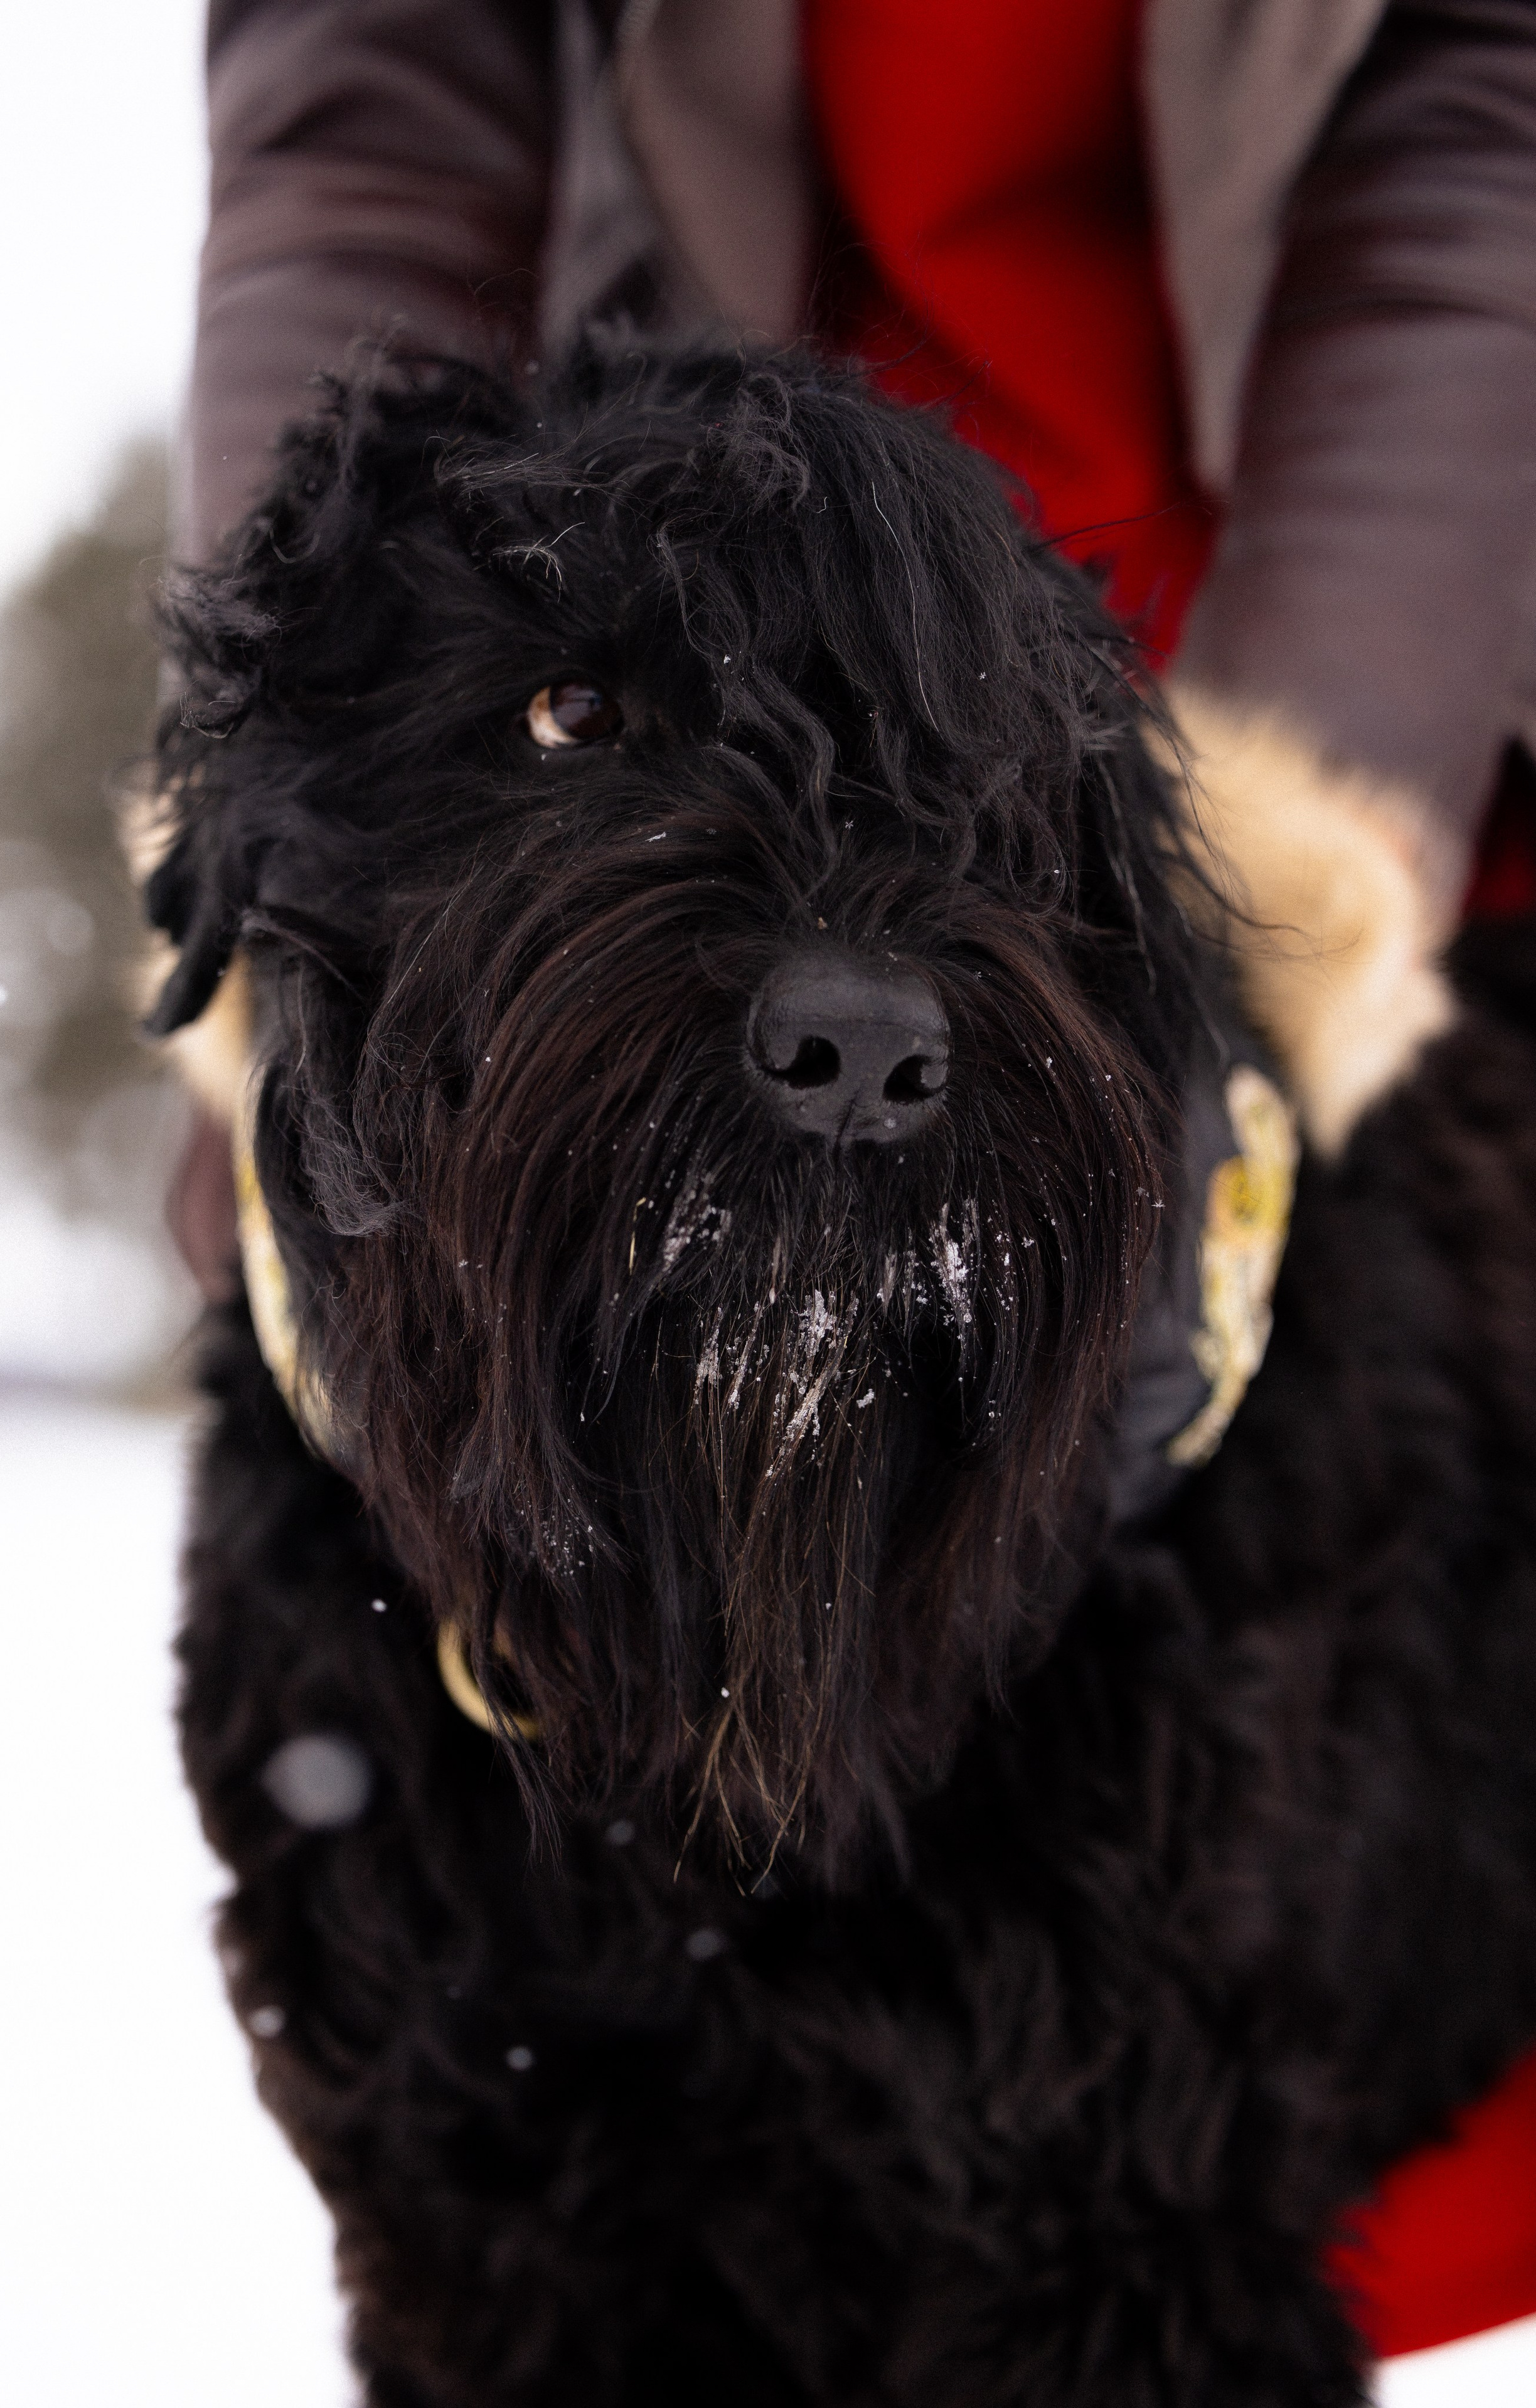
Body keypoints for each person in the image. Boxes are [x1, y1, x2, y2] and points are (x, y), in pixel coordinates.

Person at [171, 0, 1536, 2362]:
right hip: (588, 546)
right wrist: (269, 777)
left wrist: (1297, 880)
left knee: (1142, 2190)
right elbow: (366, 131)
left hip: (1268, 726)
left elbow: (1485, 144)